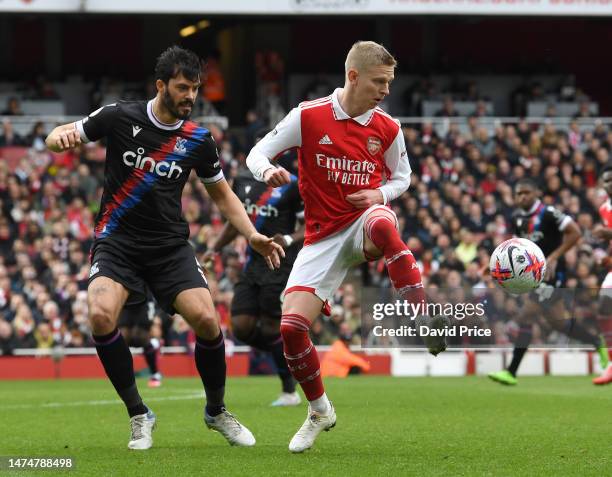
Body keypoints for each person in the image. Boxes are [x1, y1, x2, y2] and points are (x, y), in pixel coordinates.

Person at [45, 46, 284, 450]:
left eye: (195, 88)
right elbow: (58, 136)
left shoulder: (199, 139)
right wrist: (59, 139)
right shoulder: (120, 116)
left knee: (208, 323)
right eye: (183, 87)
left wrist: (252, 235)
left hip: (169, 247)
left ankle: (216, 411)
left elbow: (224, 196)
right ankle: (139, 414)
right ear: (161, 85)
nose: (191, 96)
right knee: (101, 315)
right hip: (116, 241)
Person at [246, 40, 446, 453]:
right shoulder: (309, 116)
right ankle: (319, 409)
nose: (387, 90)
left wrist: (381, 196)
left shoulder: (388, 128)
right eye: (380, 81)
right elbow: (258, 151)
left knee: (384, 226)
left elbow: (402, 178)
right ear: (353, 76)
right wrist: (266, 170)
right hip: (321, 237)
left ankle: (423, 317)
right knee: (291, 329)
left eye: (389, 82)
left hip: (363, 223)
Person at [206, 140, 304, 407]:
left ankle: (288, 390)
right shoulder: (241, 182)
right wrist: (212, 249)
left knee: (272, 327)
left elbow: (309, 226)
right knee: (242, 326)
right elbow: (236, 222)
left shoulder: (292, 183)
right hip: (252, 264)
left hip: (279, 262)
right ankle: (291, 357)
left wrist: (286, 238)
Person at [488, 178, 609, 385]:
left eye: (526, 192)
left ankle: (511, 371)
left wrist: (552, 258)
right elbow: (516, 246)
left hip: (553, 275)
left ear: (536, 193)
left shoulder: (549, 213)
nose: (521, 197)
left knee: (526, 315)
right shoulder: (517, 218)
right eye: (518, 193)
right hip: (533, 276)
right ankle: (597, 342)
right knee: (559, 323)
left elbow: (575, 233)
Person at [592, 163, 612, 384]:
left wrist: (608, 232)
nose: (609, 184)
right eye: (606, 180)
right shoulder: (605, 208)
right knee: (604, 307)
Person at [118, 297, 164, 388]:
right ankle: (124, 374)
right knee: (123, 336)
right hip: (125, 299)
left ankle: (155, 373)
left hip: (143, 298)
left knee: (140, 335)